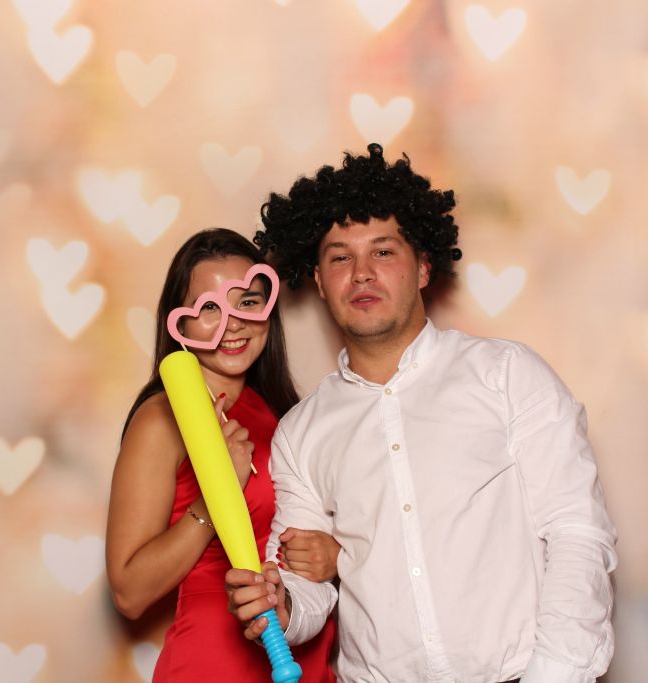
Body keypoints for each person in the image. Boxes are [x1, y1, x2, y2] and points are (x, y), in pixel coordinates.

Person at [226, 145, 618, 683]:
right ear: (317, 280)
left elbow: (577, 533)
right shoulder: (302, 433)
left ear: (424, 267)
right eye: (339, 258)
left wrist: (553, 675)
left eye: (383, 252)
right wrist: (283, 603)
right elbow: (306, 583)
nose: (361, 274)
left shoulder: (508, 375)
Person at [106, 228, 339, 681]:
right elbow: (129, 592)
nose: (232, 324)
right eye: (208, 308)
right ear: (179, 324)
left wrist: (334, 556)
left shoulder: (282, 412)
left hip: (302, 654)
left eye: (247, 301)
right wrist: (216, 494)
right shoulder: (161, 420)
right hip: (216, 664)